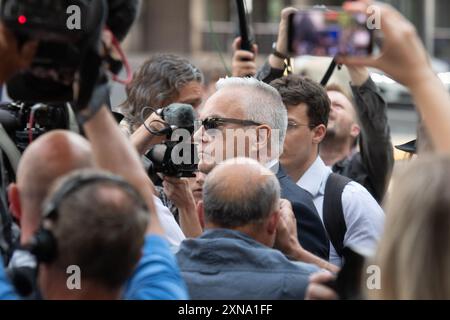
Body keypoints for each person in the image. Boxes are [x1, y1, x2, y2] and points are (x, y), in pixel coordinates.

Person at [232, 7, 394, 203]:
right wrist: (279, 53)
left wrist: (355, 61)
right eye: (325, 105)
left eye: (339, 106)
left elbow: (376, 127)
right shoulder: (277, 168)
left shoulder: (366, 172)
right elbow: (255, 115)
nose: (330, 108)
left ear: (356, 129)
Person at [194, 76, 330, 260]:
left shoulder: (291, 207)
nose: (197, 136)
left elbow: (300, 283)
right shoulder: (218, 192)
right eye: (199, 124)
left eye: (212, 124)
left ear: (259, 137)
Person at [271, 75, 385, 266]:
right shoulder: (252, 191)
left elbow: (375, 286)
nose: (275, 135)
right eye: (271, 124)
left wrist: (297, 253)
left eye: (288, 125)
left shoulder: (351, 200)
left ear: (318, 133)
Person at [176, 158, 320, 299]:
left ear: (201, 214)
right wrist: (295, 250)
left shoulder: (161, 274)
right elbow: (341, 289)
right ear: (274, 221)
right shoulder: (307, 286)